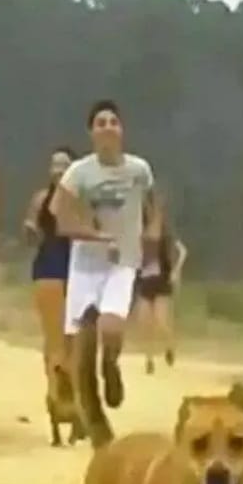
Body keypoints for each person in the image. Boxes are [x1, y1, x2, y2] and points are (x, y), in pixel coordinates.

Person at [52, 99, 161, 410]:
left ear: (122, 130)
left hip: (123, 261)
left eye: (113, 122)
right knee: (75, 339)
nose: (108, 128)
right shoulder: (78, 172)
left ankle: (110, 366)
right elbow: (61, 218)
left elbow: (155, 204)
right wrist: (95, 235)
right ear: (91, 133)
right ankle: (76, 396)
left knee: (111, 326)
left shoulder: (139, 169)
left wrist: (153, 228)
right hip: (86, 264)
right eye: (101, 123)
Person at [23, 146, 75, 405]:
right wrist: (30, 229)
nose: (59, 169)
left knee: (74, 339)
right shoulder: (41, 199)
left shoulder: (81, 199)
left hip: (76, 270)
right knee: (54, 337)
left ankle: (72, 394)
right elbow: (31, 231)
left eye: (64, 164)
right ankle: (55, 393)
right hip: (49, 268)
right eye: (55, 164)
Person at [133, 204, 187, 375]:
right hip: (145, 282)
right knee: (145, 323)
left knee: (162, 321)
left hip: (161, 282)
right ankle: (149, 360)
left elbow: (182, 251)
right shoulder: (139, 233)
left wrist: (176, 270)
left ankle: (169, 346)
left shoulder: (166, 235)